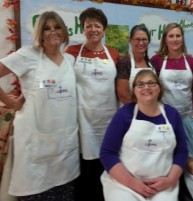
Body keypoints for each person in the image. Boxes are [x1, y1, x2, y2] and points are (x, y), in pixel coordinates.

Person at [0, 11, 79, 200]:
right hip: (35, 148)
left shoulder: (70, 60)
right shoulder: (27, 55)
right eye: (46, 28)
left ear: (64, 31)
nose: (52, 32)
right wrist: (9, 101)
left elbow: (54, 87)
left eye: (57, 27)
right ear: (40, 33)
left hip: (65, 147)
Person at [100, 70, 188, 201]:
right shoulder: (124, 114)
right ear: (134, 90)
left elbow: (181, 151)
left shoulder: (172, 114)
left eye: (151, 83)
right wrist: (132, 183)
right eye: (140, 84)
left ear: (159, 88)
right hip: (124, 184)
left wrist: (170, 180)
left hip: (162, 185)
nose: (146, 87)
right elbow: (107, 153)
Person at [64, 7, 119, 201]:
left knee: (106, 163)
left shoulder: (113, 53)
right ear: (83, 29)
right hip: (82, 119)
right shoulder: (71, 52)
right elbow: (60, 77)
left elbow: (120, 86)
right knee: (84, 168)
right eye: (89, 26)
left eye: (97, 25)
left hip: (108, 119)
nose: (93, 29)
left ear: (104, 29)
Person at [150, 22, 193, 117]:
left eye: (178, 36)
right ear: (165, 39)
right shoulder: (156, 60)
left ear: (182, 39)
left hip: (187, 113)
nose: (175, 39)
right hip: (163, 112)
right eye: (171, 36)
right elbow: (151, 88)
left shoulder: (191, 61)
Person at [116, 24, 155, 104]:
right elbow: (124, 96)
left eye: (144, 39)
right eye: (137, 39)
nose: (141, 43)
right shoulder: (124, 63)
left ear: (148, 41)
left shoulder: (152, 63)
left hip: (150, 109)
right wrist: (142, 111)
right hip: (131, 112)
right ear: (130, 41)